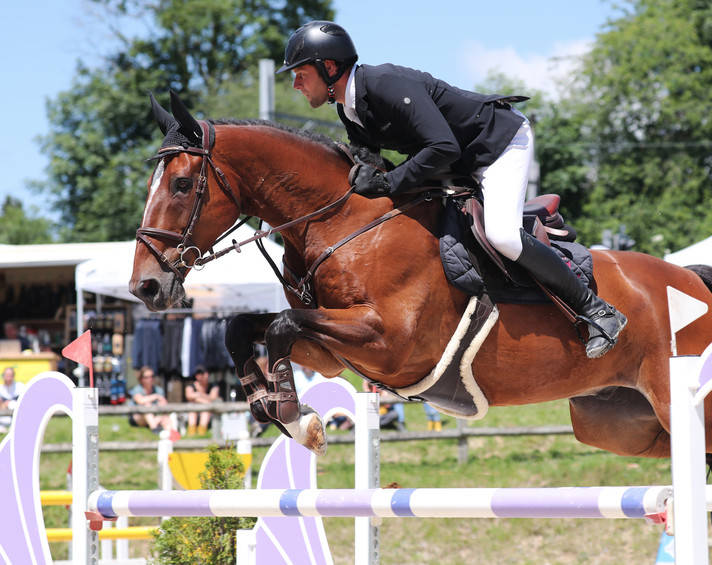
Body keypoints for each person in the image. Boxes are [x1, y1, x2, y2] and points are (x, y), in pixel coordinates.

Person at [277, 21, 627, 359]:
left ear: (329, 67)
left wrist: (388, 183)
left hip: (497, 145)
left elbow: (442, 146)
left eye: (300, 74)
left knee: (503, 235)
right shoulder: (349, 109)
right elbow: (372, 164)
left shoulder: (384, 83)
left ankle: (597, 311)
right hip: (454, 160)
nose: (295, 84)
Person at [129, 366, 177, 437]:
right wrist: (156, 396)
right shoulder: (137, 389)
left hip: (155, 416)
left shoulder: (158, 390)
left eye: (152, 376)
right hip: (138, 417)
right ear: (141, 379)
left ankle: (172, 435)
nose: (150, 379)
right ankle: (155, 429)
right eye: (147, 377)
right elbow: (141, 401)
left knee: (165, 416)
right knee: (146, 406)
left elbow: (164, 405)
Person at [184, 365, 220, 436]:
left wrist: (199, 394)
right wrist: (205, 400)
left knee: (205, 411)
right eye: (200, 374)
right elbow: (189, 396)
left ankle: (201, 433)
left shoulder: (213, 386)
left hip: (208, 411)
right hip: (194, 410)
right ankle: (192, 433)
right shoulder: (190, 386)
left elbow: (213, 398)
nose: (203, 376)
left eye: (204, 373)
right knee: (192, 411)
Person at [0, 367, 25, 433]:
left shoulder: (20, 387)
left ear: (13, 376)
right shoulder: (1, 389)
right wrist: (4, 404)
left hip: (17, 417)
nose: (8, 378)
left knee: (13, 404)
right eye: (6, 375)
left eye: (10, 375)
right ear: (3, 376)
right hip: (3, 418)